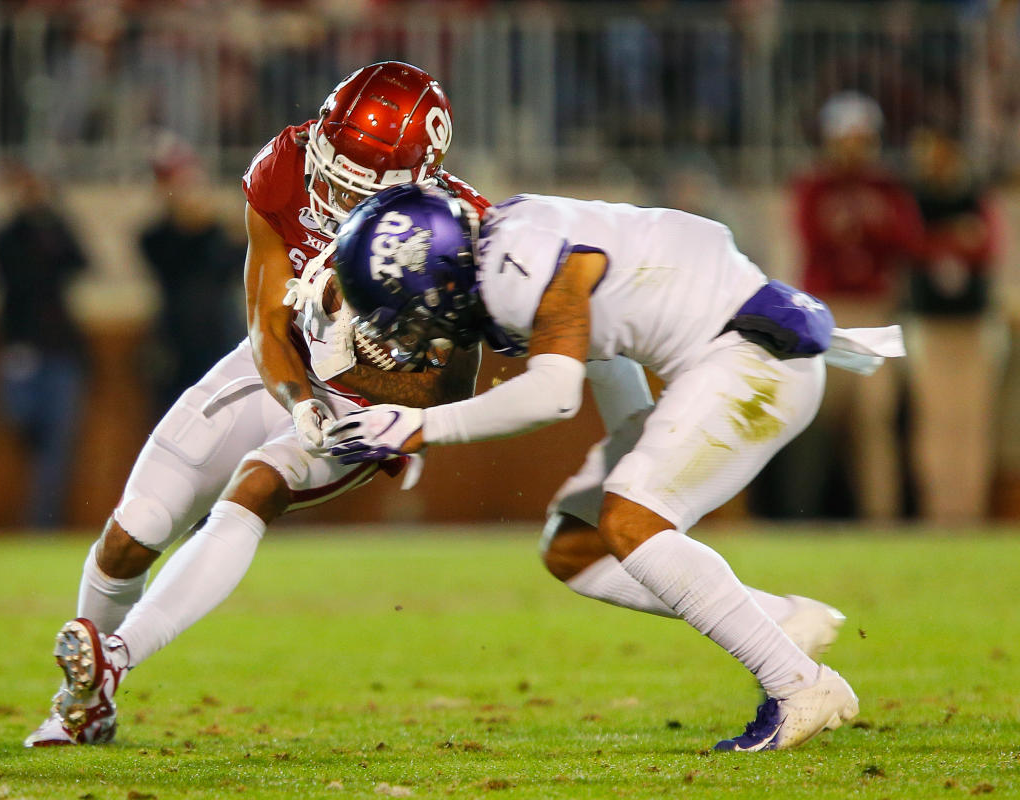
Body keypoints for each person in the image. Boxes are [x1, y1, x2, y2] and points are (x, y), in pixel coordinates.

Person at [323, 184, 907, 751]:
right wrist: (639, 438)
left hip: (754, 359)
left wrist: (421, 426)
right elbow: (607, 353)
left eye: (412, 312)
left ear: (441, 274)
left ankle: (799, 687)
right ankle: (782, 623)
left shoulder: (513, 271)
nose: (415, 332)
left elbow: (554, 392)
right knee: (576, 549)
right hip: (732, 357)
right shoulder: (507, 245)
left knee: (630, 521)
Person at [23, 61, 486, 747]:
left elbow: (450, 392)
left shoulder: (457, 231)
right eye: (331, 167)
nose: (329, 190)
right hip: (284, 368)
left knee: (257, 486)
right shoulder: (287, 162)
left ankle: (112, 666)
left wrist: (359, 379)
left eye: (356, 186)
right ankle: (81, 701)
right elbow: (268, 326)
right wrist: (299, 396)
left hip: (361, 403)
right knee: (133, 530)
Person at [785, 92, 923, 519]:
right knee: (811, 419)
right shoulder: (814, 186)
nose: (853, 148)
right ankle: (800, 517)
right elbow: (813, 239)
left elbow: (908, 241)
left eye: (861, 139)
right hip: (826, 311)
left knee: (875, 423)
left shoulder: (887, 188)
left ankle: (880, 518)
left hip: (873, 309)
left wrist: (871, 224)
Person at [903, 126, 1006, 523]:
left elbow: (988, 247)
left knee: (973, 420)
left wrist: (944, 241)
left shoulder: (975, 197)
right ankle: (938, 510)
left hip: (973, 322)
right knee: (934, 420)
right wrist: (952, 237)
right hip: (930, 323)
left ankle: (970, 510)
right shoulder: (915, 199)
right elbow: (909, 246)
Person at [0, 161, 90, 528]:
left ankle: (43, 523)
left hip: (60, 350)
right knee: (22, 428)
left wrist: (52, 221)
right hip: (21, 348)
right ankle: (31, 517)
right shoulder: (8, 235)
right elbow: (20, 275)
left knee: (57, 444)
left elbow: (81, 261)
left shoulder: (57, 230)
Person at [138, 136, 246, 415]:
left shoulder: (219, 234)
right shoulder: (155, 238)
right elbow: (174, 258)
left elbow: (231, 265)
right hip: (176, 348)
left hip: (219, 342)